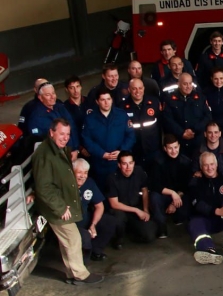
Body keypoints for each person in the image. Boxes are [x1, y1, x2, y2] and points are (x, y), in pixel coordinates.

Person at [33, 118, 104, 285]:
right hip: (55, 207)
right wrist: (59, 208)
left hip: (62, 203)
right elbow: (44, 187)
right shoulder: (45, 155)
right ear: (51, 132)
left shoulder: (59, 149)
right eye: (61, 133)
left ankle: (71, 274)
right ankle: (80, 274)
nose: (65, 137)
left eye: (68, 134)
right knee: (73, 238)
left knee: (67, 241)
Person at [187, 151, 223, 264]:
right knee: (193, 223)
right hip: (205, 220)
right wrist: (218, 211)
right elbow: (197, 203)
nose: (209, 168)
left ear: (216, 165)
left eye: (212, 164)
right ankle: (208, 250)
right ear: (201, 167)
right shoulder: (195, 182)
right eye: (206, 165)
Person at [82, 89, 135, 191]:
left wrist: (121, 151)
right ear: (97, 101)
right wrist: (101, 153)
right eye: (103, 100)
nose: (106, 102)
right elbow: (86, 140)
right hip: (100, 164)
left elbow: (131, 135)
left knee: (122, 192)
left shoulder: (122, 115)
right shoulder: (90, 119)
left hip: (120, 164)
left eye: (108, 99)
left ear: (112, 100)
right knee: (103, 192)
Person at [107, 151, 158, 245]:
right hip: (121, 210)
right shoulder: (112, 178)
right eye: (124, 164)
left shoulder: (139, 171)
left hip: (136, 208)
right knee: (118, 217)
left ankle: (132, 232)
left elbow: (145, 190)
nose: (128, 167)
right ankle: (119, 237)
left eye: (130, 163)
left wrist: (146, 210)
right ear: (119, 165)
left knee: (150, 236)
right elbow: (114, 204)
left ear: (134, 163)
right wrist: (136, 210)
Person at [73, 159, 117, 262]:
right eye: (79, 172)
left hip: (85, 218)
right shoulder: (65, 183)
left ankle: (96, 250)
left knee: (110, 221)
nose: (83, 176)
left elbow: (99, 206)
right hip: (72, 224)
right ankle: (81, 266)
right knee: (85, 237)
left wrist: (93, 224)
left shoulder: (89, 182)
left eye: (85, 173)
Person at [148, 135, 192, 237]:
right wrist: (172, 193)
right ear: (165, 148)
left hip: (179, 195)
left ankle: (178, 217)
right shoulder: (157, 161)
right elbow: (155, 185)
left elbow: (186, 186)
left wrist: (175, 201)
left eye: (175, 147)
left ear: (179, 146)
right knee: (154, 197)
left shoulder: (185, 162)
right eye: (170, 148)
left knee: (190, 198)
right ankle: (161, 225)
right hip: (164, 194)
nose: (173, 151)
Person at [162, 73, 213, 152]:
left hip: (198, 140)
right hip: (178, 141)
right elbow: (167, 119)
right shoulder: (169, 99)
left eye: (190, 83)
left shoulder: (200, 97)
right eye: (185, 84)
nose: (188, 86)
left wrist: (194, 130)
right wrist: (181, 133)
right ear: (178, 84)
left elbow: (208, 116)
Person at [25, 82, 80, 153]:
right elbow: (40, 141)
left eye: (53, 93)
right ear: (40, 97)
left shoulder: (60, 107)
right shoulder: (36, 117)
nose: (52, 97)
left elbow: (72, 127)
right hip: (55, 156)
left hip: (72, 151)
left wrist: (75, 149)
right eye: (48, 95)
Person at [120, 78, 161, 172]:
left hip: (153, 150)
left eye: (140, 88)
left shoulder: (154, 103)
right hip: (134, 152)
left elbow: (161, 124)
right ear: (129, 90)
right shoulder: (122, 108)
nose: (138, 91)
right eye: (134, 89)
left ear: (144, 88)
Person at [192, 121, 223, 188]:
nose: (213, 135)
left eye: (216, 132)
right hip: (206, 185)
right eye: (210, 132)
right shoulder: (198, 152)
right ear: (205, 134)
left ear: (220, 134)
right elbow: (195, 171)